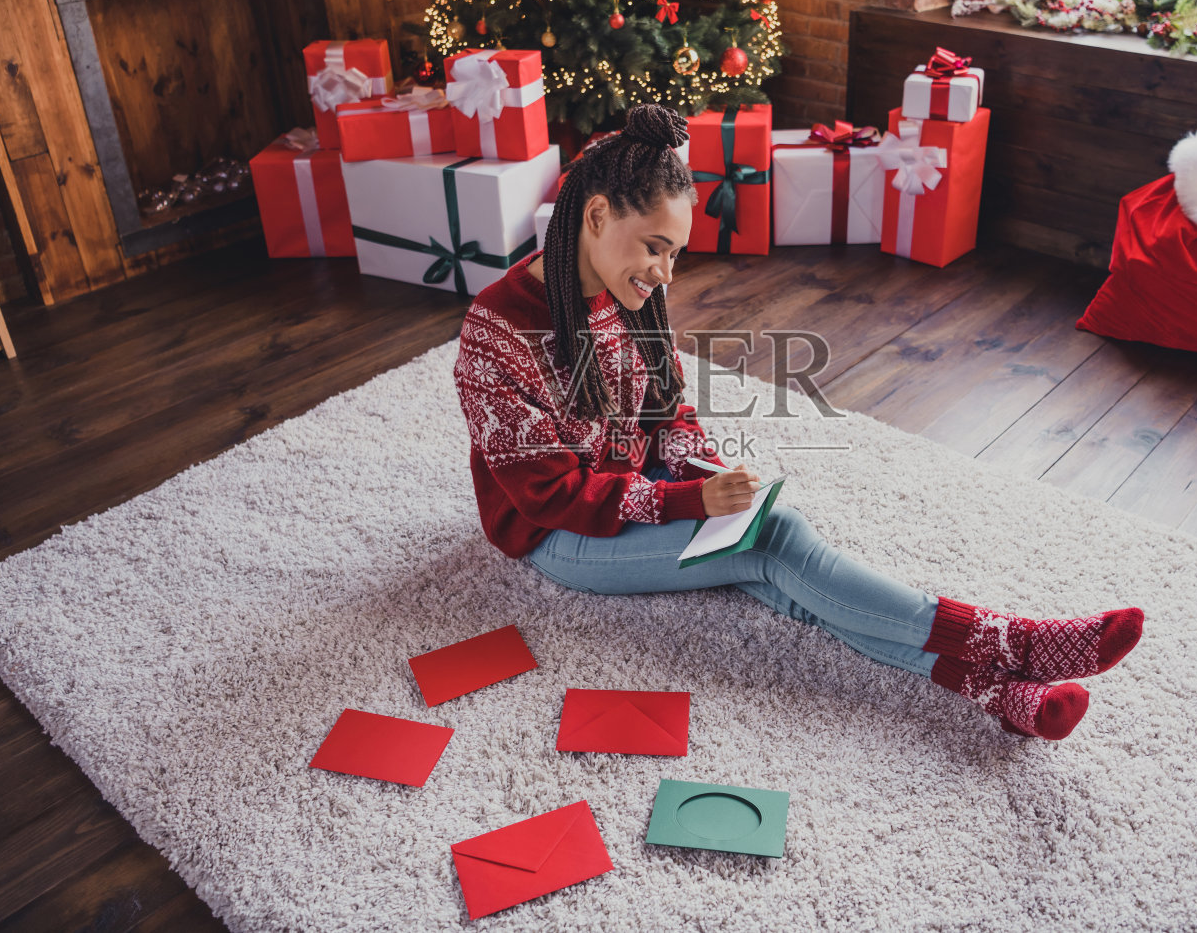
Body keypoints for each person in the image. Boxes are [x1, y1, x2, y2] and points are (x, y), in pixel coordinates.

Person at [452, 104, 1142, 740]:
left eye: (675, 254)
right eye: (655, 247)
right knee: (771, 542)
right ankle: (1007, 641)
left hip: (634, 483)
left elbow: (669, 411)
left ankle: (990, 687)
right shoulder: (496, 330)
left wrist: (702, 466)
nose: (665, 273)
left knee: (785, 577)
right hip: (559, 534)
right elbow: (550, 495)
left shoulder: (624, 291)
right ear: (596, 216)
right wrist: (687, 500)